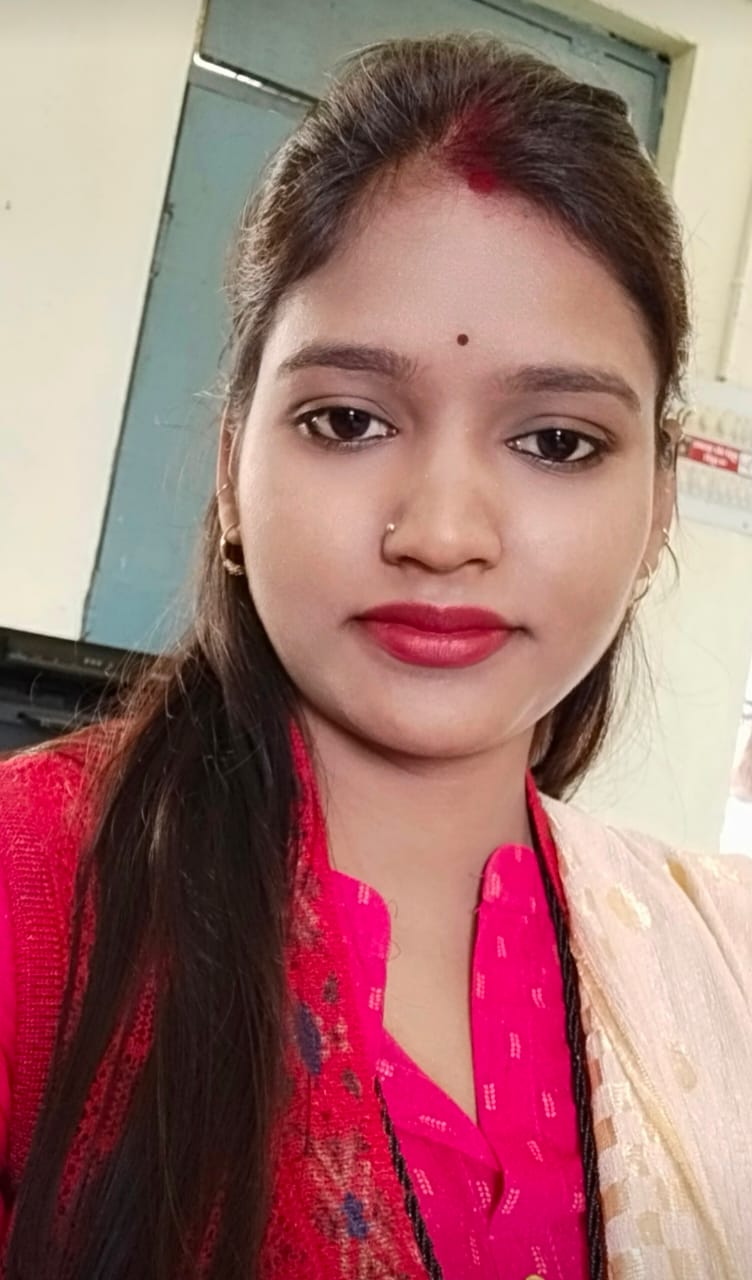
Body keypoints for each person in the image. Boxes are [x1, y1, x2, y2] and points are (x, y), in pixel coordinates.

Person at [1, 33, 750, 1280]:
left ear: (658, 503)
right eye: (347, 420)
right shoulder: (29, 894)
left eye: (555, 441)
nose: (441, 532)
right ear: (234, 466)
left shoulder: (716, 963)